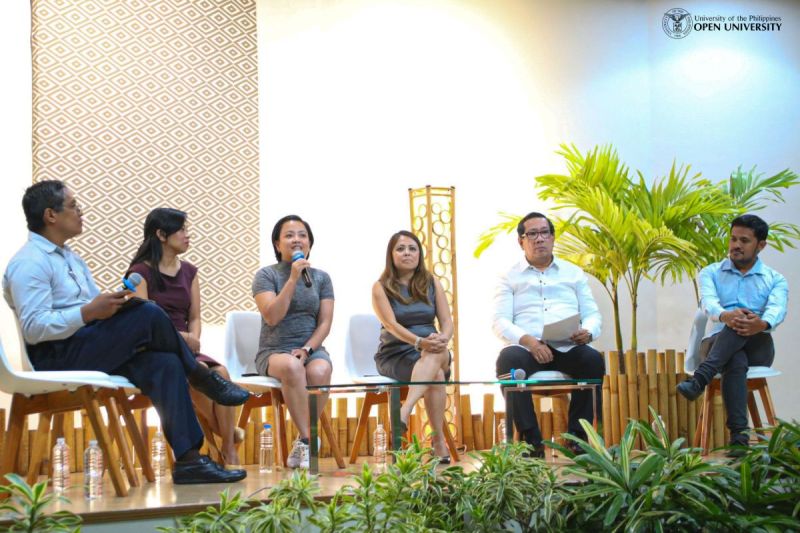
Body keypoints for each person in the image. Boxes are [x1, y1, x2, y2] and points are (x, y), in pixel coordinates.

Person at [3, 180, 249, 483]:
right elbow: (34, 328)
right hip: (56, 355)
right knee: (147, 311)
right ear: (51, 215)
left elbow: (91, 309)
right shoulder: (29, 263)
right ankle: (199, 374)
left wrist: (110, 306)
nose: (81, 212)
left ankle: (189, 461)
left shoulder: (71, 259)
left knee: (165, 363)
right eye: (73, 206)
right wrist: (89, 312)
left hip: (88, 343)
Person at [127, 208, 245, 465]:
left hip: (187, 346)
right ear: (161, 234)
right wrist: (181, 338)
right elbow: (142, 322)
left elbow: (195, 316)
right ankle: (227, 435)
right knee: (200, 372)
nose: (187, 235)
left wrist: (194, 337)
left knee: (222, 372)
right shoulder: (139, 272)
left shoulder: (189, 271)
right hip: (157, 350)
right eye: (181, 230)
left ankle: (227, 447)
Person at [492, 211, 605, 457]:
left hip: (567, 346)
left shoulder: (573, 273)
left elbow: (593, 314)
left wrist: (588, 332)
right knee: (508, 363)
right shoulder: (509, 276)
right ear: (521, 241)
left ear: (553, 238)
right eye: (531, 234)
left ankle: (578, 439)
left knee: (593, 361)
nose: (539, 238)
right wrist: (530, 342)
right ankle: (531, 442)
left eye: (544, 233)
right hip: (528, 349)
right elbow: (499, 321)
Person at [677, 214, 788, 453]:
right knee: (735, 354)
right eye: (733, 239)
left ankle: (699, 380)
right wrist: (726, 316)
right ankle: (739, 437)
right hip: (716, 343)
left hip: (759, 346)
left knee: (743, 324)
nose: (736, 245)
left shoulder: (775, 279)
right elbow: (708, 302)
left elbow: (777, 309)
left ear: (761, 245)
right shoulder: (711, 272)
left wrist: (762, 323)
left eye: (744, 240)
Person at [252, 215, 334, 469]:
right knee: (291, 367)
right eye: (289, 235)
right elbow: (273, 316)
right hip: (274, 351)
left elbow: (325, 323)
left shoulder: (321, 278)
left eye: (302, 235)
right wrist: (292, 279)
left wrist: (309, 349)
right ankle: (310, 439)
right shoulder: (266, 275)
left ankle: (302, 440)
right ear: (277, 244)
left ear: (309, 242)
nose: (296, 240)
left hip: (311, 348)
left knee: (321, 369)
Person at [372, 231, 453, 462]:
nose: (407, 253)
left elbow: (447, 322)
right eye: (400, 249)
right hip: (397, 354)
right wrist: (419, 342)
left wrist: (442, 338)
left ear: (419, 254)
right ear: (391, 255)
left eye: (412, 248)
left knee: (435, 353)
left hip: (434, 349)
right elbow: (391, 324)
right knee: (436, 374)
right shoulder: (380, 287)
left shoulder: (431, 282)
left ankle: (404, 410)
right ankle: (438, 443)